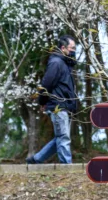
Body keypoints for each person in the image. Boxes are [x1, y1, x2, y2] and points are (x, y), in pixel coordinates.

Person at [27, 36, 78, 165]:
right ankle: (67, 167)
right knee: (63, 137)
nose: (74, 51)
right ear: (63, 48)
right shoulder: (56, 63)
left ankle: (36, 159)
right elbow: (47, 84)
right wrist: (42, 101)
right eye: (72, 48)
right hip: (58, 105)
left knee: (60, 137)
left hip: (65, 105)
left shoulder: (65, 64)